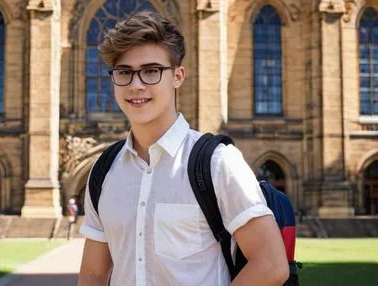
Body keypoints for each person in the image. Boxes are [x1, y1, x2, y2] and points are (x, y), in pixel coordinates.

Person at [78, 11, 289, 286]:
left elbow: (271, 265)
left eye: (151, 71)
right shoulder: (104, 170)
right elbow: (93, 274)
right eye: (125, 73)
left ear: (178, 76)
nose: (136, 85)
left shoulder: (217, 162)